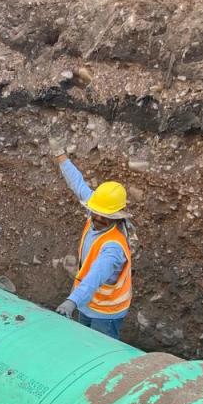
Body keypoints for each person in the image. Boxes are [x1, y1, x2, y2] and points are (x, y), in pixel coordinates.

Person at [51, 143, 133, 340]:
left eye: (102, 216)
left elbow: (95, 276)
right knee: (81, 342)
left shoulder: (113, 247)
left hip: (106, 311)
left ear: (116, 216)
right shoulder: (97, 212)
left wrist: (72, 301)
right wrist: (61, 158)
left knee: (98, 350)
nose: (95, 219)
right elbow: (78, 185)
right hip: (87, 302)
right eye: (94, 213)